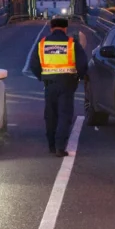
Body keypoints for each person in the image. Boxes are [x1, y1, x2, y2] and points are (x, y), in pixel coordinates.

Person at [29, 18, 88, 157]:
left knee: (50, 115)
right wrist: (79, 77)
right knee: (64, 115)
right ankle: (60, 147)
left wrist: (42, 77)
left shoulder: (42, 43)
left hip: (49, 84)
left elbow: (33, 64)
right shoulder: (72, 43)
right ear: (65, 28)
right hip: (67, 83)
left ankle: (51, 145)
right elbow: (83, 64)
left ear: (51, 28)